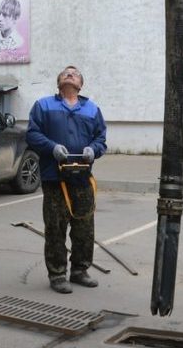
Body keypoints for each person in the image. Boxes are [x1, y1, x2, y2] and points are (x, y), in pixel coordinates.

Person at [26, 66, 107, 294]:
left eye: (75, 72)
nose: (69, 73)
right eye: (65, 72)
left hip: (82, 178)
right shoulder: (43, 105)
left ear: (81, 83)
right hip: (55, 178)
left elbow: (101, 137)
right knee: (55, 228)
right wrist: (51, 148)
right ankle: (58, 274)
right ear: (58, 82)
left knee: (84, 228)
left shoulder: (91, 109)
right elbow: (32, 134)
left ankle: (80, 270)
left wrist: (94, 149)